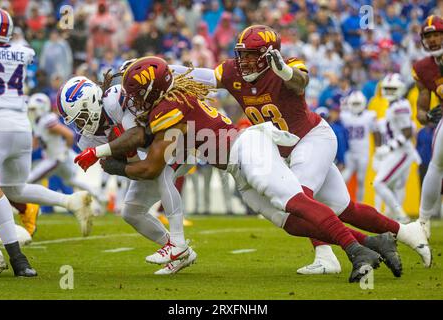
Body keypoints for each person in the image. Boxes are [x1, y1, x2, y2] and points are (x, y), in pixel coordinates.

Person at [76, 56, 410, 283]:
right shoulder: (166, 93)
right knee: (291, 223)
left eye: (137, 94)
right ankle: (373, 242)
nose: (133, 100)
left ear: (154, 89)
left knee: (294, 201)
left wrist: (109, 160)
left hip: (247, 147)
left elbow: (150, 167)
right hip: (236, 166)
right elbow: (180, 76)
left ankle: (354, 251)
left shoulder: (168, 104)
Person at [169, 25, 431, 273]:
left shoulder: (286, 66)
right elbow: (196, 76)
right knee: (344, 208)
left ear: (267, 55)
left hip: (312, 138)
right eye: (241, 55)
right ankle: (405, 232)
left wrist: (283, 71)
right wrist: (160, 70)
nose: (243, 61)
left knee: (298, 200)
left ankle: (330, 255)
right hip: (290, 148)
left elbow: (300, 81)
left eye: (250, 55)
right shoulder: (231, 72)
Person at [57, 75, 196, 275]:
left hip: (174, 139)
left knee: (160, 174)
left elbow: (137, 135)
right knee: (131, 212)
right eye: (76, 121)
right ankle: (183, 253)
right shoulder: (86, 140)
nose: (80, 124)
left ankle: (178, 243)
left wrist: (105, 152)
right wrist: (120, 166)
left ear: (93, 101)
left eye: (81, 116)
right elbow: (136, 169)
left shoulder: (114, 99)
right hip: (149, 156)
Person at [0, 8, 93, 237]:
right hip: (20, 126)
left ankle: (5, 239)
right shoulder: (23, 51)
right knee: (15, 189)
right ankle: (70, 201)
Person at [0, 7, 36, 277]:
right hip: (20, 124)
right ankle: (18, 260)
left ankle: (17, 257)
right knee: (10, 188)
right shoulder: (24, 51)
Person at [27, 93, 104, 204]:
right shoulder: (38, 123)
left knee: (31, 179)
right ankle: (98, 195)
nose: (32, 112)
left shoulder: (47, 120)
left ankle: (32, 208)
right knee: (71, 181)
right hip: (53, 157)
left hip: (56, 158)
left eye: (34, 109)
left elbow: (69, 135)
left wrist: (64, 150)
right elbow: (34, 145)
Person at [373, 74, 421, 223]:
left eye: (392, 88)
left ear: (400, 89)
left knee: (379, 183)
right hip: (396, 151)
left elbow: (407, 131)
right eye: (386, 88)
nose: (388, 91)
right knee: (391, 185)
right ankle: (395, 217)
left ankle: (401, 216)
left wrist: (389, 147)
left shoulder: (400, 105)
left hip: (402, 151)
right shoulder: (394, 104)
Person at [413, 15, 443, 239]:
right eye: (428, 36)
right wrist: (428, 115)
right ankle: (423, 221)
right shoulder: (423, 68)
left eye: (437, 35)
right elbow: (421, 110)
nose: (433, 40)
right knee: (437, 164)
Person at [341, 91, 377, 202]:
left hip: (363, 153)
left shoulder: (369, 116)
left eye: (358, 104)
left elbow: (376, 132)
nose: (356, 106)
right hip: (350, 153)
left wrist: (378, 148)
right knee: (343, 178)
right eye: (354, 104)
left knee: (361, 180)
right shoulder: (344, 116)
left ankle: (359, 204)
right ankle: (340, 202)